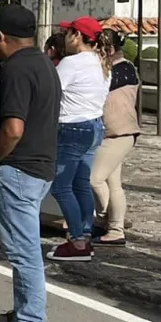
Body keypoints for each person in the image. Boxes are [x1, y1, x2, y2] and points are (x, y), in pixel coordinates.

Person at [0, 5, 60, 322]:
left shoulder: (18, 69)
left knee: (23, 250)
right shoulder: (41, 63)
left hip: (18, 168)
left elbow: (13, 128)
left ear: (1, 36)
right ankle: (28, 311)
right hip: (36, 167)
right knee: (25, 247)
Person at [47, 16, 110, 263]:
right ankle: (85, 234)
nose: (65, 37)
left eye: (68, 32)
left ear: (77, 36)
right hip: (94, 125)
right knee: (81, 184)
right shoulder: (101, 62)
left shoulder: (71, 63)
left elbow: (51, 91)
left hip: (72, 127)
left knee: (61, 186)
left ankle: (77, 240)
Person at [90, 28, 139, 247]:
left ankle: (105, 219)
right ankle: (113, 227)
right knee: (113, 183)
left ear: (109, 49)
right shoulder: (121, 68)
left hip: (119, 133)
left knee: (94, 178)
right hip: (114, 133)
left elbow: (98, 87)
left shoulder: (122, 69)